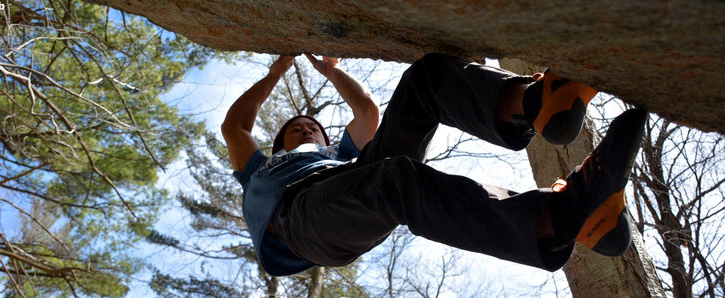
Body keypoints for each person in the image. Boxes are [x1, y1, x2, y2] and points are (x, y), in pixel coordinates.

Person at [221, 52, 647, 276]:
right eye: (297, 128)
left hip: (347, 181)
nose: (308, 128)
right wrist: (277, 72)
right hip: (300, 227)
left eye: (314, 126)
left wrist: (331, 71)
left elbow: (367, 112)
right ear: (280, 144)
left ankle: (535, 103)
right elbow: (235, 127)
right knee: (392, 182)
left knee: (422, 82)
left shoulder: (337, 156)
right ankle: (561, 218)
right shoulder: (260, 172)